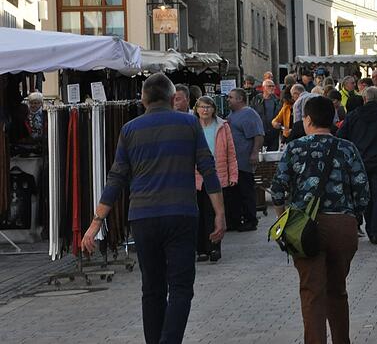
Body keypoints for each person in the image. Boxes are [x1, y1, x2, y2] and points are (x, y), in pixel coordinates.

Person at [81, 73, 225, 344]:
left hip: (143, 217)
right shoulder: (190, 124)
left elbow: (116, 178)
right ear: (173, 99)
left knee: (152, 289)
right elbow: (208, 169)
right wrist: (219, 213)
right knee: (181, 287)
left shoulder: (130, 130)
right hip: (182, 214)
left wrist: (96, 221)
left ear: (143, 100)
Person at [271, 96, 370, 344]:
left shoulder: (294, 148)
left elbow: (277, 190)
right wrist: (352, 218)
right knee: (337, 290)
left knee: (312, 292)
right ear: (333, 120)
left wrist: (283, 218)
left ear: (307, 119)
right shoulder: (348, 148)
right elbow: (363, 191)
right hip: (342, 226)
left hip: (305, 228)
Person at [338, 87, 377, 244]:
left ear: (364, 99)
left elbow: (341, 137)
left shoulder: (353, 116)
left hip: (359, 163)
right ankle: (376, 231)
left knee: (366, 197)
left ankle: (370, 227)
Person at [194, 96, 238, 263]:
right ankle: (201, 249)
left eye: (208, 107)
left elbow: (231, 152)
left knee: (215, 212)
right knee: (199, 213)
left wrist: (233, 174)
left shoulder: (222, 126)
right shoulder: (192, 126)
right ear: (196, 109)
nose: (205, 110)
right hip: (197, 176)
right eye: (202, 107)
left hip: (216, 173)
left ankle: (214, 247)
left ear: (214, 109)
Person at [226, 88, 264, 232]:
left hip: (243, 161)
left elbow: (258, 135)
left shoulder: (249, 114)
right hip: (233, 163)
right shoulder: (232, 114)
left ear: (240, 99)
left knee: (246, 191)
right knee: (234, 194)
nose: (228, 99)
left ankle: (250, 220)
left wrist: (254, 153)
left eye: (231, 97)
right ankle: (235, 220)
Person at [252, 78, 281, 151]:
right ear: (263, 88)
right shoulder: (256, 100)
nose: (272, 88)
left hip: (274, 132)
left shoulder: (277, 100)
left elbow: (281, 114)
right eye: (269, 86)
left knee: (273, 155)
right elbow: (252, 114)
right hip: (261, 132)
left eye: (273, 86)